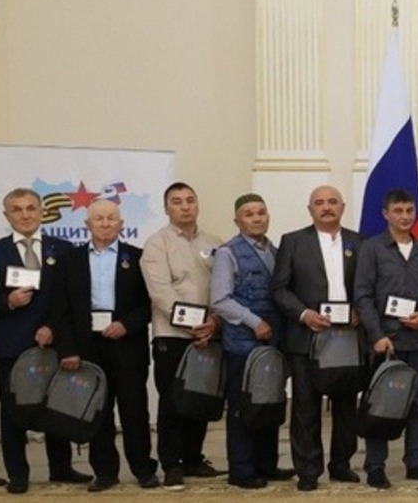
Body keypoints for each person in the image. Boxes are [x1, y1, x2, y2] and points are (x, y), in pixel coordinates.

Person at [47, 200, 160, 491]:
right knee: (97, 412)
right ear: (88, 224)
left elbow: (150, 303)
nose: (106, 223)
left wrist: (127, 324)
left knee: (135, 412)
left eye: (111, 218)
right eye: (99, 218)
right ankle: (105, 472)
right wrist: (68, 349)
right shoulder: (70, 260)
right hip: (88, 348)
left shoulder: (138, 257)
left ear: (121, 224)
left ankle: (143, 469)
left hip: (127, 344)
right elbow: (61, 310)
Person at [0, 188, 86, 493]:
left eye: (31, 208)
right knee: (13, 411)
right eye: (17, 209)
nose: (25, 214)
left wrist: (53, 328)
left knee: (56, 406)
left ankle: (61, 468)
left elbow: (73, 299)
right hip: (11, 346)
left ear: (42, 211)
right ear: (6, 215)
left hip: (55, 342)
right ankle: (18, 474)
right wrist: (7, 302)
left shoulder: (65, 249)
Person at [270, 185, 363, 491]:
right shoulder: (293, 241)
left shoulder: (359, 242)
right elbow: (279, 289)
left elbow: (367, 286)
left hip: (347, 337)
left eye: (332, 201)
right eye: (319, 202)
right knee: (306, 407)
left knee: (346, 406)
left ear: (342, 207)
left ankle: (341, 464)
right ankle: (308, 470)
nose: (326, 207)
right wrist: (303, 314)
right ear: (310, 209)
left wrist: (359, 311)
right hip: (306, 337)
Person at [353, 188, 418, 489]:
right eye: (398, 211)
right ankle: (375, 466)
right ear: (386, 214)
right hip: (386, 342)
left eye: (409, 211)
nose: (404, 217)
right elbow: (363, 295)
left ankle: (415, 462)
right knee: (382, 404)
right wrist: (377, 335)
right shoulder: (372, 248)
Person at [139, 181, 224, 489]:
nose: (185, 206)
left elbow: (224, 287)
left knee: (201, 398)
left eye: (190, 200)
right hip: (172, 335)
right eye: (177, 202)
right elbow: (161, 292)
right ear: (166, 208)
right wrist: (194, 325)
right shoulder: (156, 244)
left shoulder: (215, 243)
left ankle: (193, 458)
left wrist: (214, 322)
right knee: (174, 402)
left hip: (209, 333)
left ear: (197, 205)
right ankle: (171, 464)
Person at [209, 193, 292, 489]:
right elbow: (220, 300)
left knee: (268, 403)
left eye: (261, 212)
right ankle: (242, 470)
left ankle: (267, 464)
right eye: (249, 214)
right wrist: (254, 322)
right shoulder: (227, 253)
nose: (257, 218)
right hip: (243, 345)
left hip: (273, 345)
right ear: (237, 220)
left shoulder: (276, 251)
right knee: (244, 408)